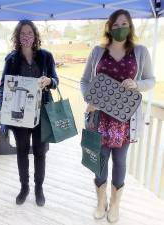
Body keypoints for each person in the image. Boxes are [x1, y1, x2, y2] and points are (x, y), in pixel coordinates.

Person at [80, 9, 155, 223]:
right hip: (100, 117)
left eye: (123, 24)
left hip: (125, 119)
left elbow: (151, 80)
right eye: (115, 24)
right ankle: (100, 201)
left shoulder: (140, 51)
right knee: (100, 161)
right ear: (109, 27)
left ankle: (114, 205)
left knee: (120, 161)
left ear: (130, 26)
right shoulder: (97, 51)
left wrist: (137, 84)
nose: (119, 28)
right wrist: (90, 99)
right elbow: (85, 81)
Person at [0, 20, 59, 207]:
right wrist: (5, 114)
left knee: (40, 152)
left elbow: (56, 81)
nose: (26, 37)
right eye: (23, 34)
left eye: (30, 33)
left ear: (35, 36)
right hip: (19, 112)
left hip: (42, 113)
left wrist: (49, 80)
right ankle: (24, 187)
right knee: (22, 151)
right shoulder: (12, 59)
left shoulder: (46, 57)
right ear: (17, 37)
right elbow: (4, 85)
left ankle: (38, 188)